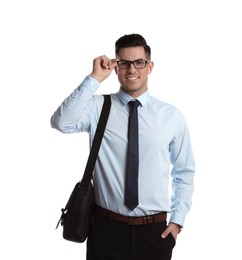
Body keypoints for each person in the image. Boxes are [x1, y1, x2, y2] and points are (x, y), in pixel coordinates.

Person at [51, 33, 196, 260]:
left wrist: (177, 221)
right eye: (124, 63)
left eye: (139, 62)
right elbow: (61, 122)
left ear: (150, 67)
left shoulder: (171, 116)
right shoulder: (98, 107)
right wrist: (94, 78)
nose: (132, 70)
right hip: (105, 229)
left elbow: (184, 171)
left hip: (154, 232)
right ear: (115, 67)